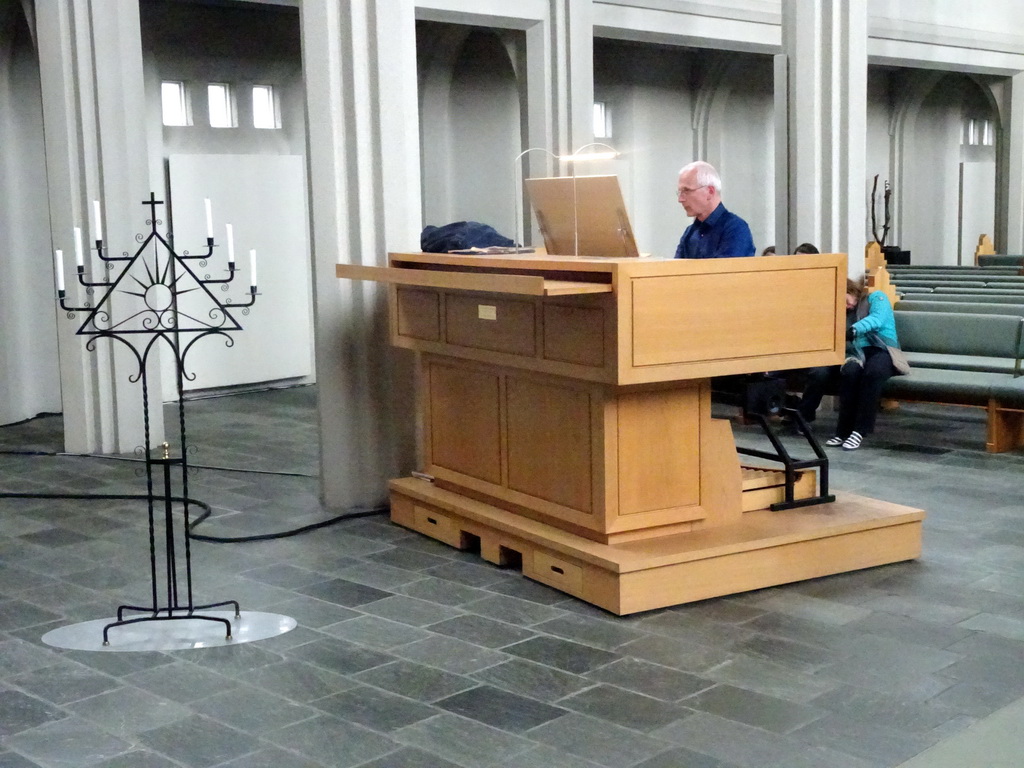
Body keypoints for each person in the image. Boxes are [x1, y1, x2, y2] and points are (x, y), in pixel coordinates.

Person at [796, 278, 904, 450]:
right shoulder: (844, 313)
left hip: (881, 350)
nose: (846, 307)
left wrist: (853, 330)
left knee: (872, 374)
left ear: (852, 290)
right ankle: (842, 432)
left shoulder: (876, 298)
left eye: (846, 301)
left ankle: (860, 430)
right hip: (856, 353)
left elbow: (876, 319)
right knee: (850, 372)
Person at [674, 161, 755, 259]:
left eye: (687, 190)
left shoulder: (735, 229)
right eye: (680, 192)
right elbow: (677, 271)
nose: (680, 199)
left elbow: (724, 272)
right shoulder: (690, 232)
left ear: (710, 191)